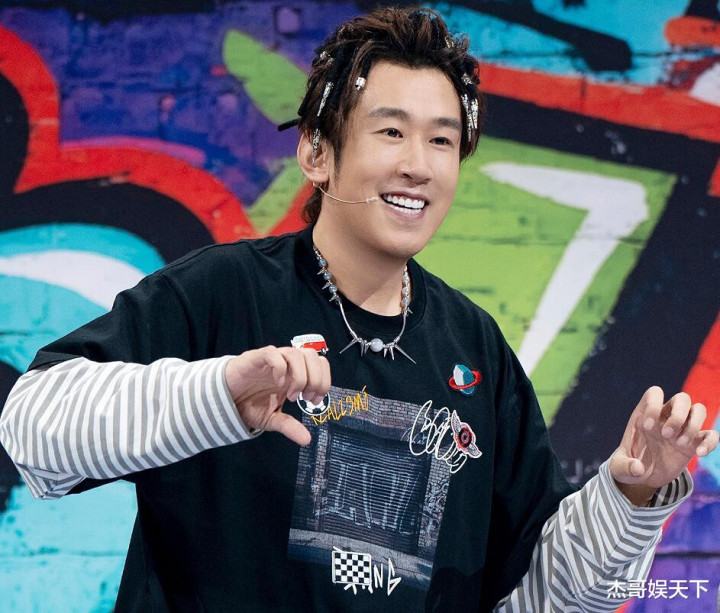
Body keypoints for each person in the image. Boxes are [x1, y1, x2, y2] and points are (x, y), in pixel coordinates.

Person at [0, 7, 716, 613]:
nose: (419, 164)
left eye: (442, 140)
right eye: (391, 131)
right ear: (317, 152)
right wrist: (214, 397)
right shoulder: (223, 292)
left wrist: (630, 496)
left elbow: (548, 598)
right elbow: (32, 428)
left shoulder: (475, 348)